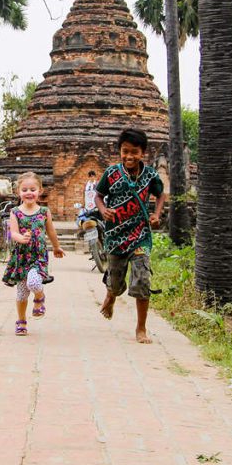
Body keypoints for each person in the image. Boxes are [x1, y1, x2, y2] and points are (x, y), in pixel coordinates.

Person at [95, 128, 165, 344]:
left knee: (142, 279)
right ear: (120, 151)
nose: (129, 156)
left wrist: (156, 213)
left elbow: (160, 194)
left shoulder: (151, 175)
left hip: (140, 234)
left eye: (134, 152)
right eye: (125, 151)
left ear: (143, 152)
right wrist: (103, 209)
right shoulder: (112, 173)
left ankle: (141, 328)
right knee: (115, 282)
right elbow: (99, 195)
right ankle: (111, 295)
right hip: (116, 235)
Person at [2, 172, 65, 336]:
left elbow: (50, 231)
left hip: (38, 255)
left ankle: (39, 298)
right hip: (21, 256)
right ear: (18, 192)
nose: (29, 192)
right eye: (24, 189)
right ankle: (21, 320)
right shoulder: (15, 212)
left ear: (40, 190)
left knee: (34, 282)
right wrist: (21, 238)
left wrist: (57, 247)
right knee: (22, 293)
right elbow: (13, 232)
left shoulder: (44, 211)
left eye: (32, 189)